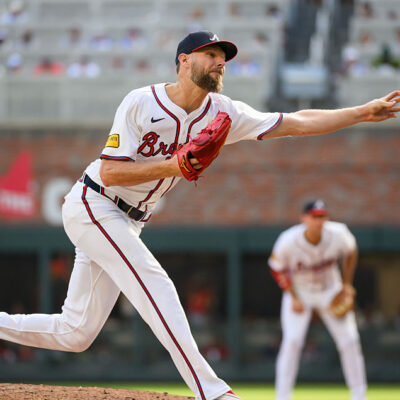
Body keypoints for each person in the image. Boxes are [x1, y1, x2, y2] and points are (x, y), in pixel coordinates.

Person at [0, 30, 398, 400]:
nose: (220, 62)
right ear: (184, 61)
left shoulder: (223, 113)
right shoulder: (141, 102)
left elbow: (294, 122)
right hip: (94, 204)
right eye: (211, 54)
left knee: (77, 332)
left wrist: (361, 112)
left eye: (223, 57)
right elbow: (110, 170)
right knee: (157, 285)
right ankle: (213, 391)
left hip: (130, 221)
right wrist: (173, 166)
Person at [268, 199, 368, 400]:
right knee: (293, 341)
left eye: (322, 216)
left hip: (331, 290)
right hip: (300, 291)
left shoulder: (339, 233)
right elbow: (276, 268)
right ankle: (282, 396)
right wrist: (293, 297)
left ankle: (359, 396)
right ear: (304, 218)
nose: (318, 220)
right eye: (314, 216)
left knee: (350, 340)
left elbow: (351, 251)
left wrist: (347, 284)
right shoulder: (288, 240)